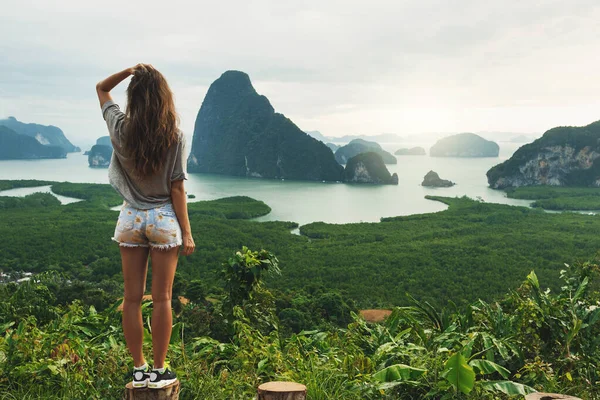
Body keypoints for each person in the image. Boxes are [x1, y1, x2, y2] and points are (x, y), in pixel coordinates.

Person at [96, 64, 195, 389]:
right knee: (163, 298)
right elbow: (177, 188)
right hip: (165, 220)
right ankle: (159, 370)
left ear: (134, 98)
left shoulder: (122, 128)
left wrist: (129, 71)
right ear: (164, 99)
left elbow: (101, 88)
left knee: (132, 298)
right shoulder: (174, 136)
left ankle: (138, 370)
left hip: (131, 219)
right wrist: (188, 233)